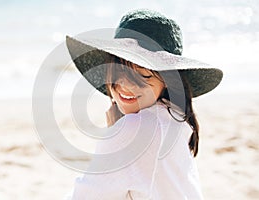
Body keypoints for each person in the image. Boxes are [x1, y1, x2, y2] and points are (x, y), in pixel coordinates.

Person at [65, 9, 223, 199]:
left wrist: (115, 134)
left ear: (168, 80)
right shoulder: (175, 117)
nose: (125, 85)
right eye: (118, 70)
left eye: (143, 75)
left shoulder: (135, 129)